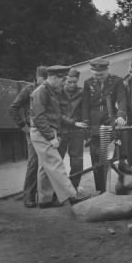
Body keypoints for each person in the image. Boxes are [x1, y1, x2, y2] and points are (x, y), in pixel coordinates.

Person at [29, 65, 90, 208]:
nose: (64, 83)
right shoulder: (41, 92)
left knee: (45, 167)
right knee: (57, 165)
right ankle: (72, 196)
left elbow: (55, 115)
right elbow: (38, 118)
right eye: (62, 79)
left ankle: (45, 200)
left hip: (48, 131)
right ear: (54, 78)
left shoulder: (51, 91)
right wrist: (51, 137)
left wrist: (57, 133)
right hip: (43, 132)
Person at [82, 58, 132, 194]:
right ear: (92, 71)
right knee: (96, 157)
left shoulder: (117, 81)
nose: (98, 77)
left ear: (107, 70)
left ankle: (123, 172)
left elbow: (122, 99)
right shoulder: (88, 83)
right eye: (95, 74)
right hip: (94, 123)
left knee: (120, 143)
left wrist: (121, 115)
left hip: (110, 118)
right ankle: (101, 189)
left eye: (101, 74)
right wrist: (86, 123)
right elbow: (85, 105)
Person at [9, 66, 48, 208]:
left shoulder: (48, 90)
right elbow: (13, 107)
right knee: (34, 162)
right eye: (45, 79)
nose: (47, 82)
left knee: (48, 163)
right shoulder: (28, 89)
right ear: (39, 78)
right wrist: (23, 127)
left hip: (46, 130)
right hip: (32, 130)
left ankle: (47, 196)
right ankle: (29, 197)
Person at [58, 68, 86, 189]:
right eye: (70, 82)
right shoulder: (57, 93)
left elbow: (86, 110)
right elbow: (56, 113)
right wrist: (73, 123)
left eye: (75, 82)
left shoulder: (82, 93)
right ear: (65, 80)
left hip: (77, 132)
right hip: (61, 132)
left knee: (77, 163)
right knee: (57, 162)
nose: (72, 85)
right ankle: (58, 190)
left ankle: (73, 189)